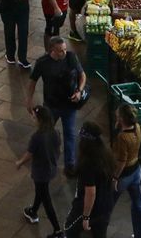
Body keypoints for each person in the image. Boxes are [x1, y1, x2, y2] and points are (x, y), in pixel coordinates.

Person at [27, 36, 87, 176]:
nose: (64, 53)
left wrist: (79, 91)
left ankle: (70, 165)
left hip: (69, 105)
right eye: (60, 51)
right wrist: (29, 100)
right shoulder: (42, 63)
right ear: (51, 50)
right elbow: (32, 81)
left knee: (70, 135)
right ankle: (45, 159)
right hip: (50, 106)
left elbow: (82, 75)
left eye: (65, 49)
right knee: (45, 133)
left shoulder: (71, 57)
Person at [64, 125, 117, 238]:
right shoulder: (107, 155)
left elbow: (91, 193)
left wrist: (86, 217)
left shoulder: (88, 163)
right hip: (105, 205)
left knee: (69, 228)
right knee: (100, 233)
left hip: (91, 208)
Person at [16, 106, 62, 234]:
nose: (32, 119)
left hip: (40, 172)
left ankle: (57, 230)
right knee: (41, 191)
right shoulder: (55, 132)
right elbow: (58, 151)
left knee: (46, 200)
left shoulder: (37, 137)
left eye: (34, 117)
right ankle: (33, 211)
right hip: (51, 169)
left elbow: (29, 154)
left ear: (40, 120)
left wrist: (20, 162)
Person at [111, 104, 141, 238]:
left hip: (124, 176)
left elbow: (121, 161)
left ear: (122, 119)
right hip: (136, 171)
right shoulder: (137, 128)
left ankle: (97, 230)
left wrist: (115, 178)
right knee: (139, 204)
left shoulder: (122, 137)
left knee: (106, 204)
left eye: (118, 115)